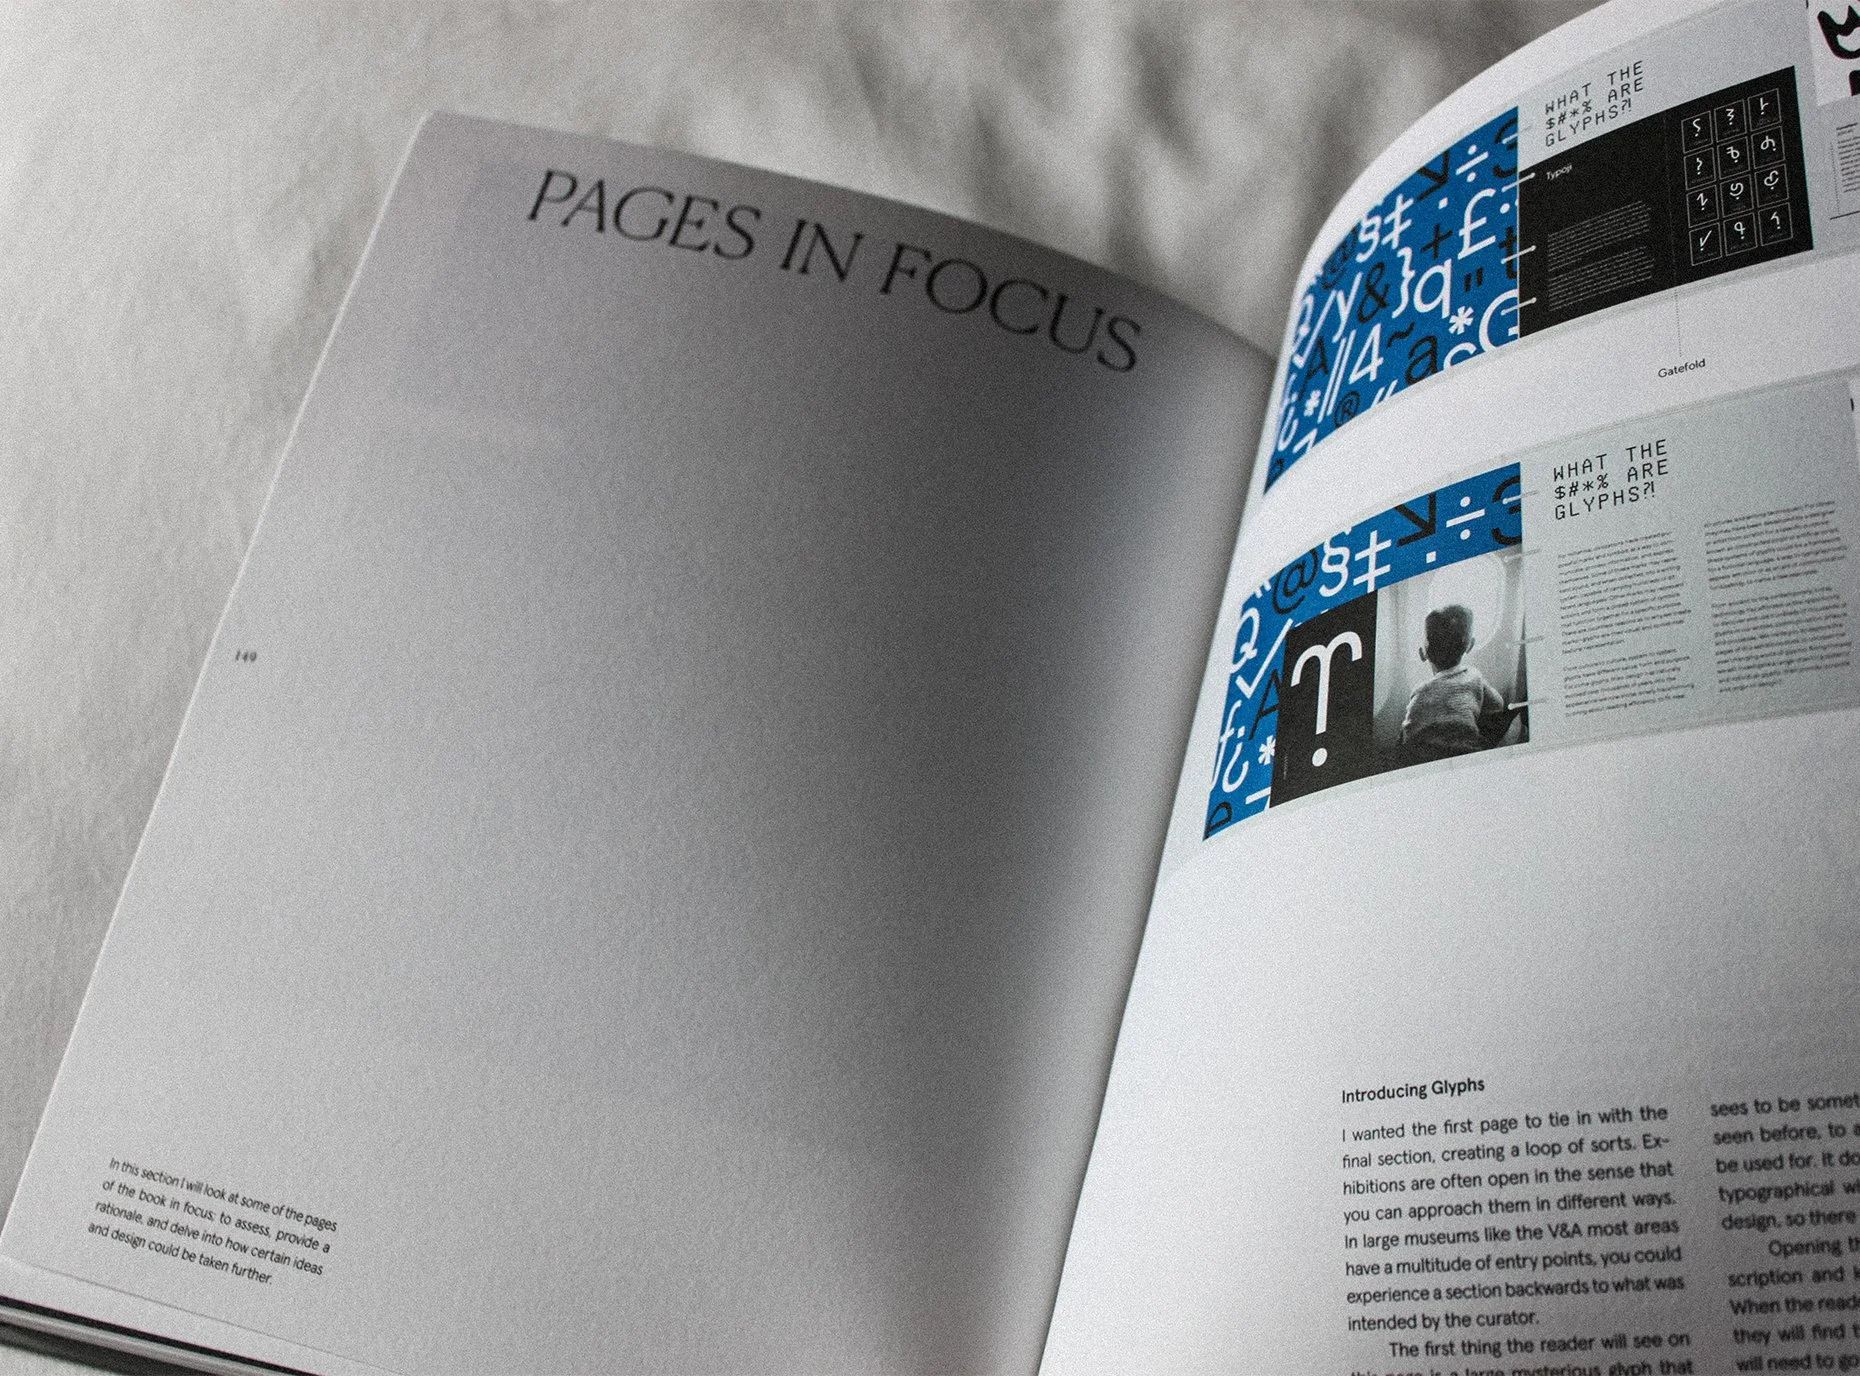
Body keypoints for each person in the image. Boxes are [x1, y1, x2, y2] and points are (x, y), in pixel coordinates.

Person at [1400, 604, 1513, 761]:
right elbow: (1498, 705)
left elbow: (1407, 733)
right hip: (1465, 754)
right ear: (1470, 645)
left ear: (1423, 652)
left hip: (1420, 757)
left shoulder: (1418, 690)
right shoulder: (1474, 677)